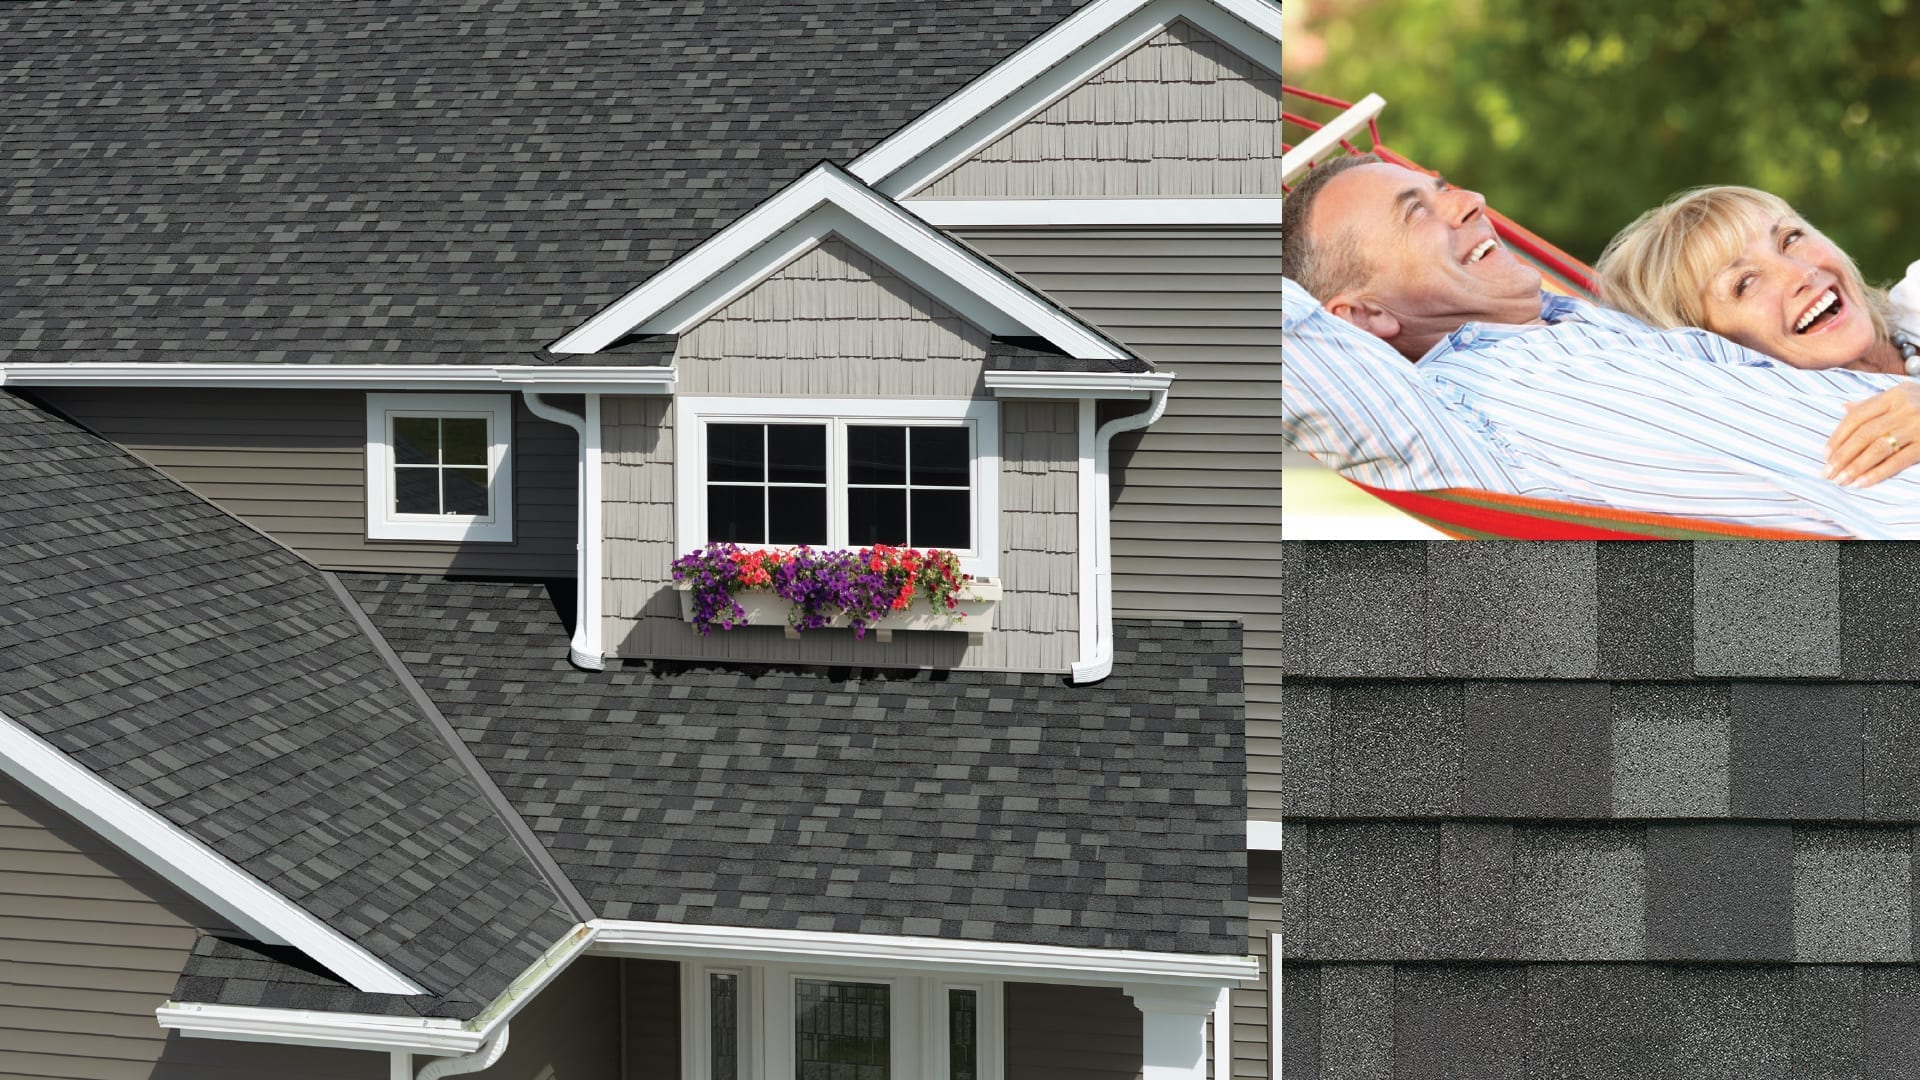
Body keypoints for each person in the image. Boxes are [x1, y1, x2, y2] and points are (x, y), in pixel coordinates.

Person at [1280, 153, 1920, 537]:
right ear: (1362, 318)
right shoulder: (1452, 419)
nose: (1473, 202)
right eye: (1415, 211)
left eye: (1445, 186)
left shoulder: (1615, 328)